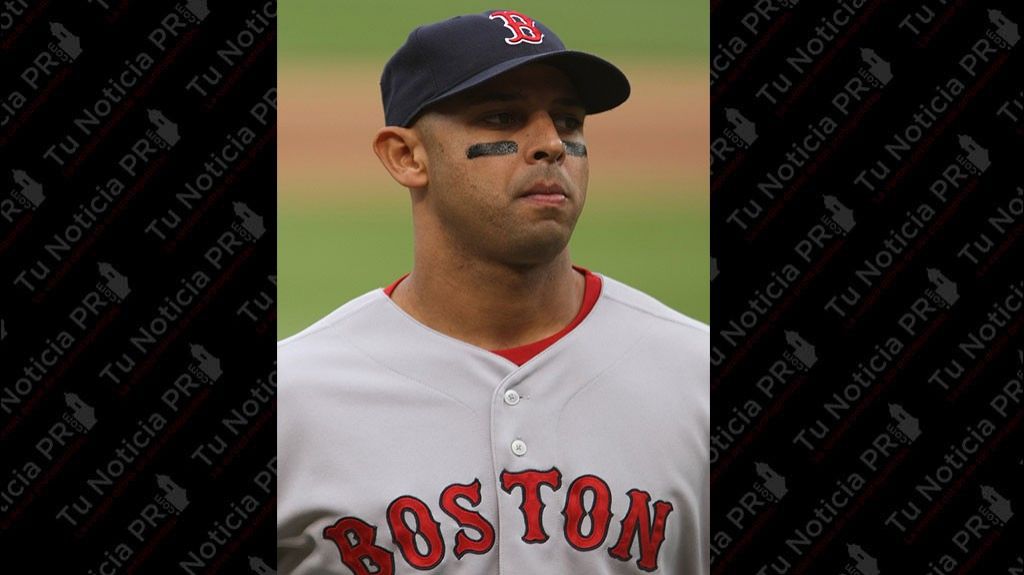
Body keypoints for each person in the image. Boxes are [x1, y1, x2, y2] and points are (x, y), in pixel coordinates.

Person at [278, 9, 709, 575]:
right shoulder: (296, 398)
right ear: (407, 157)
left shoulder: (696, 376)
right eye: (503, 118)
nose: (551, 144)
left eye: (569, 120)